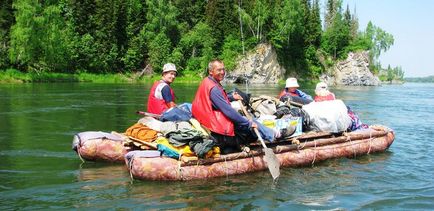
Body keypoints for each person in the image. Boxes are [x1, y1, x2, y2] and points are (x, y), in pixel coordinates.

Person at [192, 59, 276, 154]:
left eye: (223, 69)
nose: (222, 72)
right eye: (219, 70)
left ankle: (269, 133)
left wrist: (232, 97)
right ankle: (274, 135)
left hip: (205, 120)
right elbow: (228, 111)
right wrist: (248, 123)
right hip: (213, 124)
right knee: (251, 121)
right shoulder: (214, 88)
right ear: (211, 71)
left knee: (247, 121)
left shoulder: (207, 81)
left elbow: (219, 98)